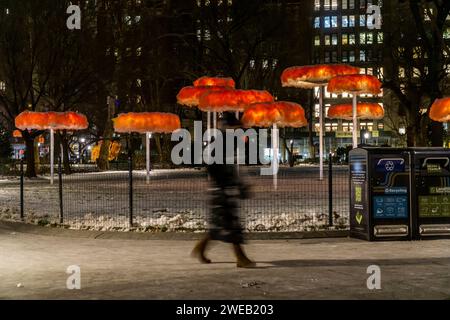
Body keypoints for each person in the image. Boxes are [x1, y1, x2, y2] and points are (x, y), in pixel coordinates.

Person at [191, 113, 255, 268]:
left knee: (221, 226)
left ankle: (200, 248)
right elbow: (217, 167)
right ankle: (241, 258)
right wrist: (231, 184)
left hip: (222, 190)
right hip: (222, 192)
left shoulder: (225, 141)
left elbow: (228, 167)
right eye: (237, 127)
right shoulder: (223, 142)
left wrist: (237, 184)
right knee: (231, 226)